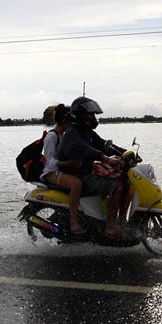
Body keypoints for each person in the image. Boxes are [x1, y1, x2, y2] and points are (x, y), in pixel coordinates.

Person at [58, 96, 129, 238]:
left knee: (127, 182)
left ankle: (121, 220)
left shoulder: (86, 131)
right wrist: (104, 158)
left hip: (86, 173)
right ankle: (110, 226)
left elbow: (103, 145)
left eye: (94, 114)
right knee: (117, 187)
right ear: (81, 115)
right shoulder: (72, 132)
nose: (94, 117)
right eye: (91, 114)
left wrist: (125, 153)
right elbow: (84, 149)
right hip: (77, 176)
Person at [39, 104, 85, 235]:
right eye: (71, 122)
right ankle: (73, 222)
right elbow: (49, 161)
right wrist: (67, 163)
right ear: (65, 121)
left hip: (60, 170)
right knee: (76, 183)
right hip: (50, 172)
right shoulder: (52, 136)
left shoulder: (63, 135)